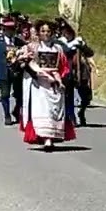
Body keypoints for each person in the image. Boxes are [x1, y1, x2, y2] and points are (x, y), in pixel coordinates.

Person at [20, 19, 75, 150]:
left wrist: (60, 79)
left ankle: (52, 135)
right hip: (40, 83)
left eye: (48, 31)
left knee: (54, 110)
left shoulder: (58, 48)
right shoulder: (33, 47)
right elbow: (27, 64)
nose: (46, 33)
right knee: (42, 110)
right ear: (38, 33)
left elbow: (64, 66)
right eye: (43, 31)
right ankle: (46, 139)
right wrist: (38, 72)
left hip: (54, 82)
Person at [57, 19, 95, 127]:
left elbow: (90, 53)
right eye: (64, 31)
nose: (66, 33)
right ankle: (70, 117)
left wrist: (82, 45)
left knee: (85, 97)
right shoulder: (59, 42)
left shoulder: (78, 41)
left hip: (80, 72)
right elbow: (64, 52)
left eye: (68, 31)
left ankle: (81, 112)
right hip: (67, 72)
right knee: (68, 97)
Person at [0, 15, 20, 125]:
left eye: (12, 29)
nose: (10, 31)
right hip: (3, 71)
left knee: (19, 95)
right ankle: (7, 114)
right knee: (5, 94)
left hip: (16, 71)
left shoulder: (18, 41)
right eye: (8, 29)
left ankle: (16, 111)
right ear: (4, 29)